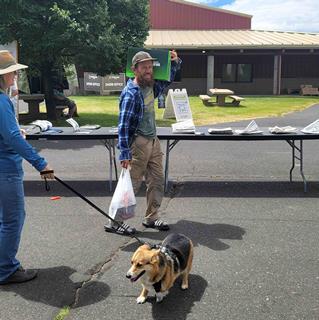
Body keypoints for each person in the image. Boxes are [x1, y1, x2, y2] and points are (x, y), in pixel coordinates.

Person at [104, 50, 181, 235]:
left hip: (153, 140)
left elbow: (168, 79)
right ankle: (115, 223)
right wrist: (124, 152)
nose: (148, 70)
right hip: (137, 143)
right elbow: (123, 126)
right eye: (143, 67)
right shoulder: (131, 93)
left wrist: (176, 61)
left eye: (150, 66)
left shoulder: (151, 86)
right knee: (131, 184)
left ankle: (151, 217)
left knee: (156, 180)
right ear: (134, 69)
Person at [0, 50, 55, 285]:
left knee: (4, 220)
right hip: (6, 169)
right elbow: (12, 137)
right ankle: (6, 269)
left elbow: (8, 132)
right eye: (12, 73)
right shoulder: (2, 100)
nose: (15, 77)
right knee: (13, 219)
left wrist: (14, 132)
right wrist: (41, 164)